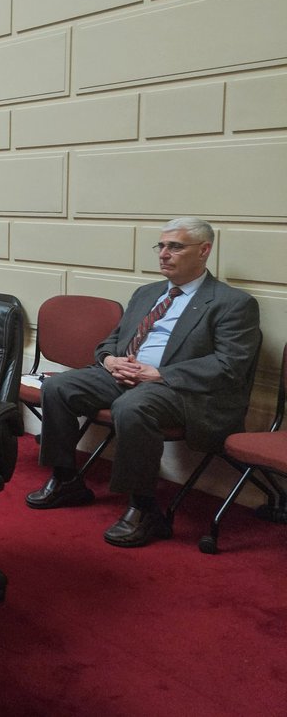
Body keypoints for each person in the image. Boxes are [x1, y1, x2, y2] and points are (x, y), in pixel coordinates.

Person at [26, 217, 261, 548]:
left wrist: (160, 373)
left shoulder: (232, 303)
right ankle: (66, 480)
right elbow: (111, 341)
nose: (164, 254)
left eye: (175, 246)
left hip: (183, 390)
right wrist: (110, 360)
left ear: (204, 251)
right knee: (59, 387)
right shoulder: (146, 293)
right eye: (161, 246)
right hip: (126, 375)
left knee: (133, 406)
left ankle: (144, 507)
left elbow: (230, 365)